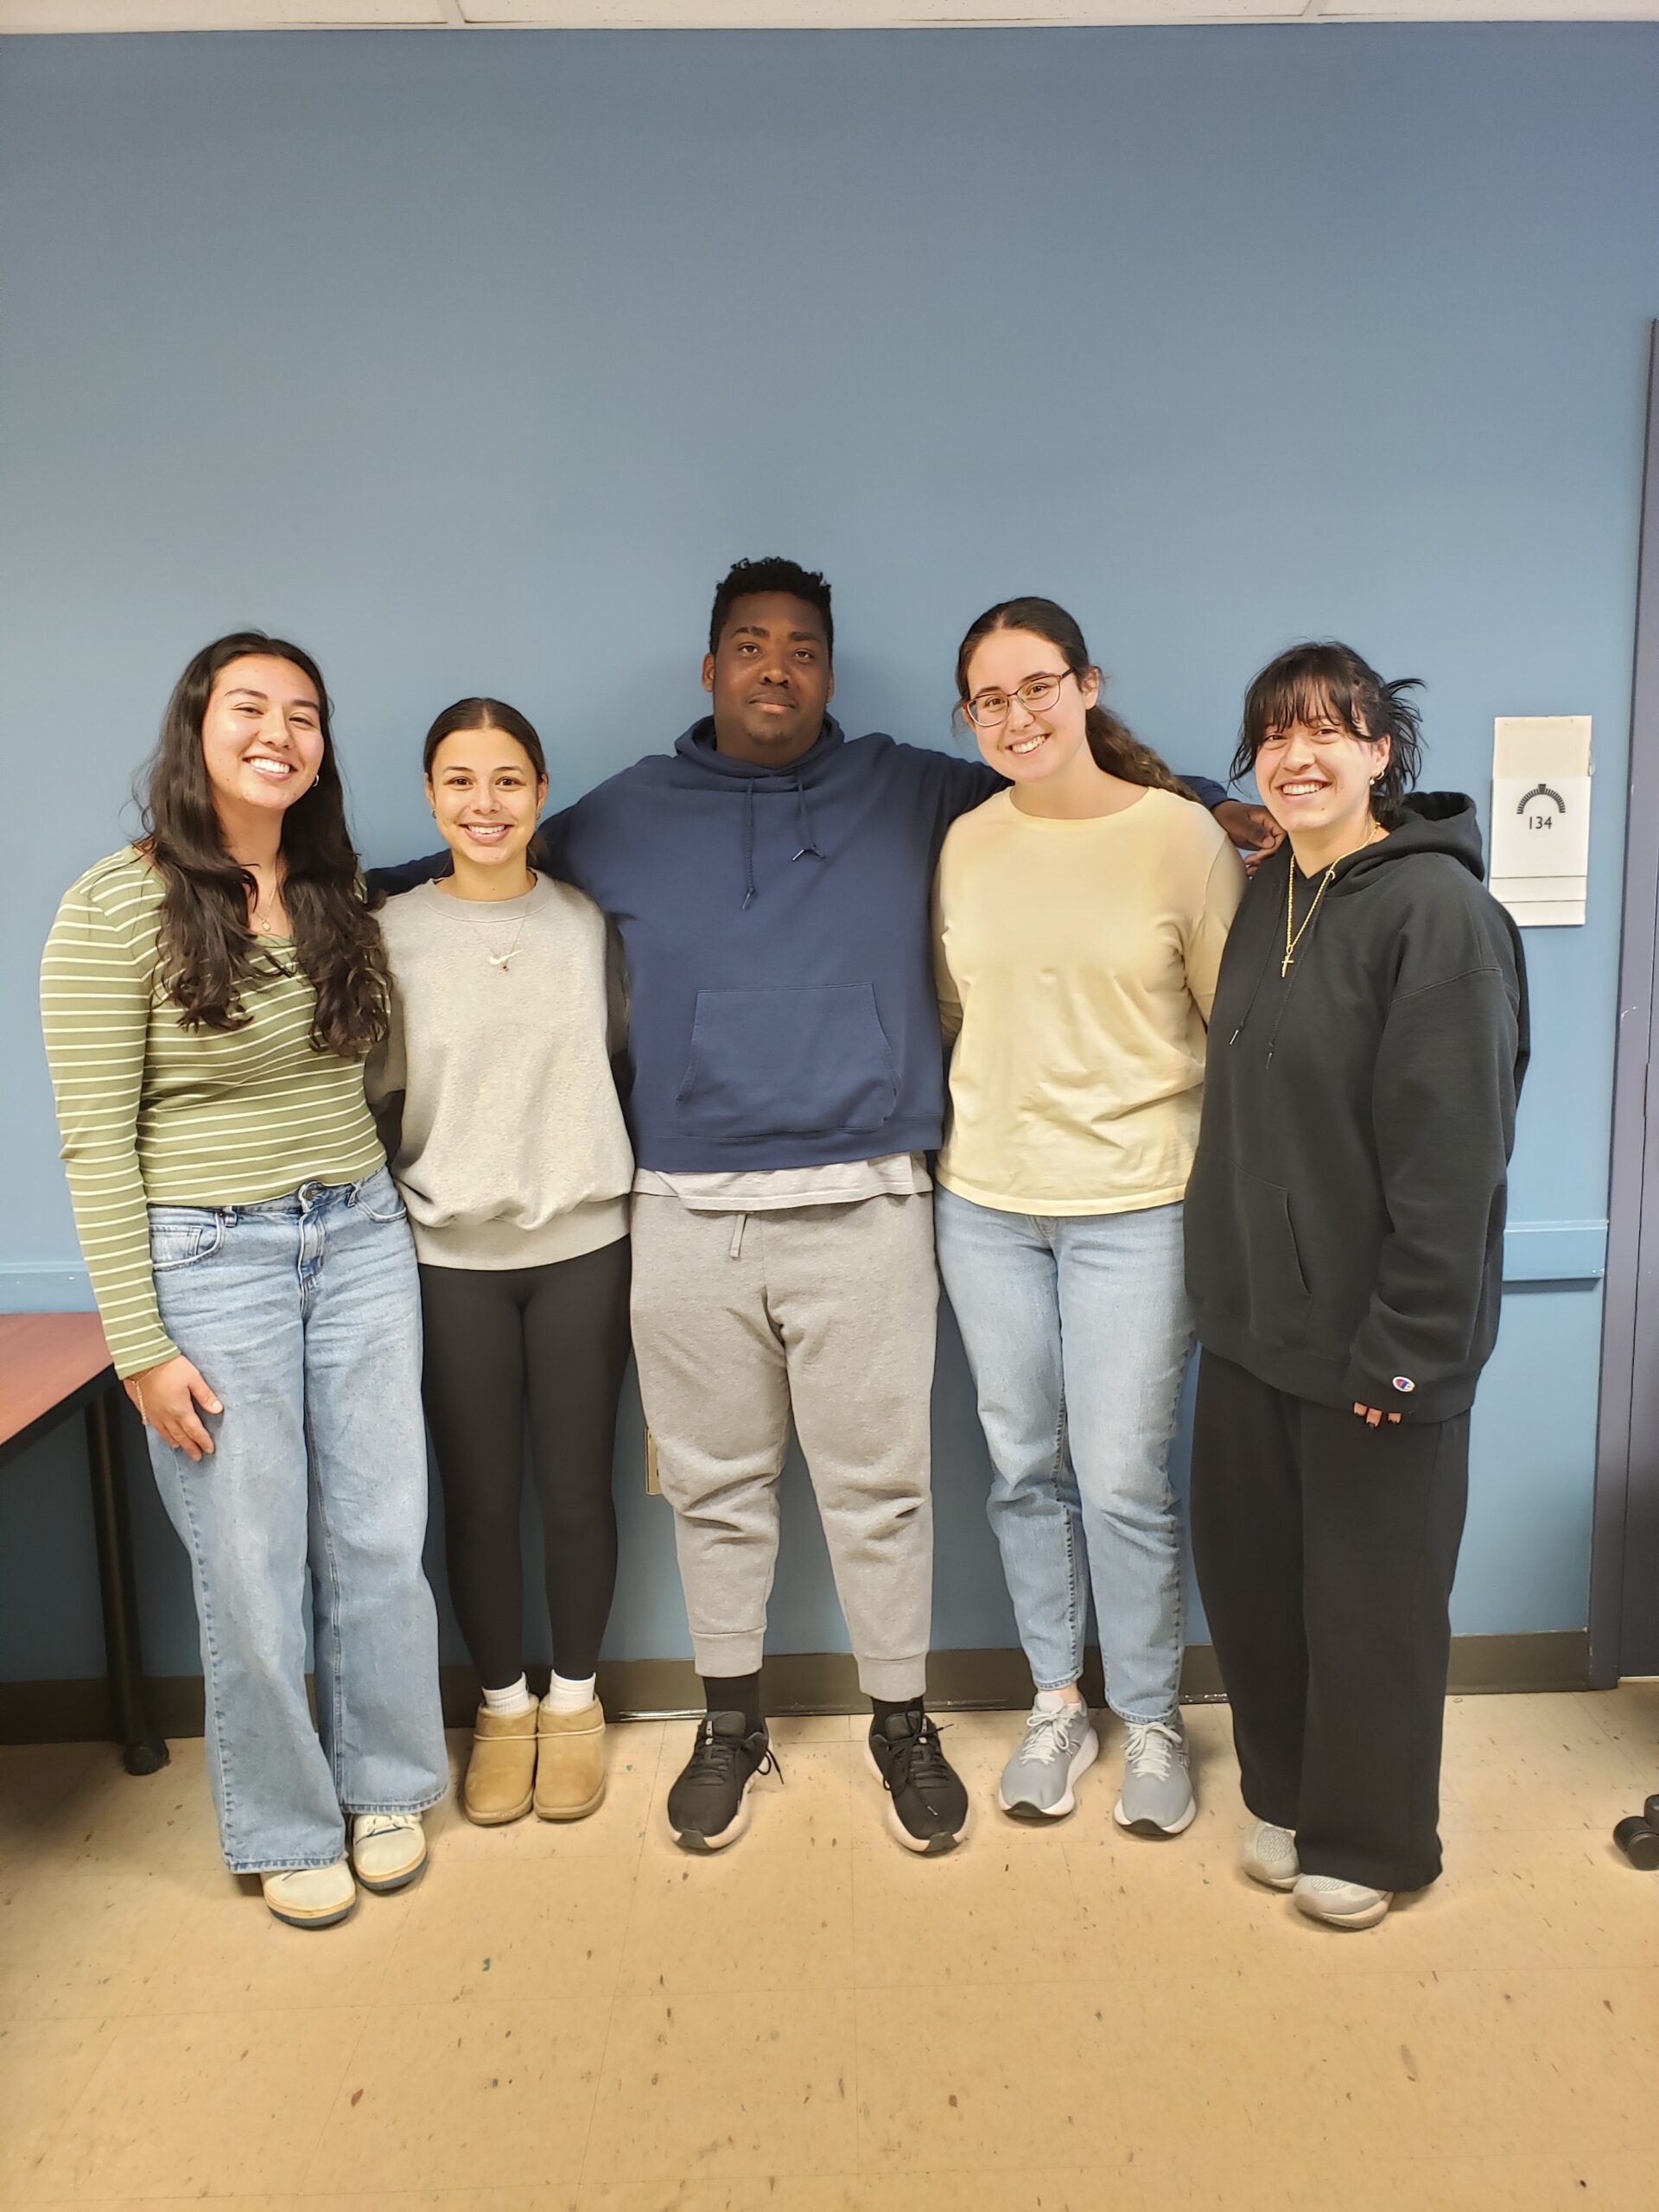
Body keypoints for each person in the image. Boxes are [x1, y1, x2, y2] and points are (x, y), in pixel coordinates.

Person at [374, 557, 1273, 1856]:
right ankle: (728, 1721)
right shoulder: (624, 812)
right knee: (717, 1490)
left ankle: (899, 1722)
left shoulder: (919, 793)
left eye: (802, 648)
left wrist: (1228, 810)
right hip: (684, 1207)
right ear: (711, 668)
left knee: (881, 1491)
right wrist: (308, 882)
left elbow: (1072, 802)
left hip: (871, 1203)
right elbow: (482, 860)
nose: (776, 668)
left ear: (831, 672)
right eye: (750, 645)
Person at [41, 632, 448, 1930]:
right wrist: (136, 1344)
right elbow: (96, 1139)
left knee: (381, 1535)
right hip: (210, 1261)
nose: (280, 732)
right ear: (196, 728)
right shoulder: (115, 902)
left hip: (364, 1241)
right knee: (252, 1557)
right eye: (251, 708)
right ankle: (281, 1819)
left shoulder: (339, 894)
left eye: (306, 714)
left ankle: (386, 1783)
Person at [1184, 640, 1528, 1930]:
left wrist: (1409, 1351)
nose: (1300, 754)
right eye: (1276, 735)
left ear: (1385, 753)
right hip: (1254, 1333)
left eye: (1332, 730)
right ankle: (1285, 1799)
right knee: (1260, 1589)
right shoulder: (1273, 893)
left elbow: (1454, 1163)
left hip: (1380, 1349)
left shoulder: (1439, 918)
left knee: (1372, 1610)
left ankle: (1374, 1842)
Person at [932, 598, 1246, 1834]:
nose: (1016, 716)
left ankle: (1157, 1720)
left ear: (1087, 686)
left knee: (1120, 1479)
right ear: (971, 717)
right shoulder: (964, 843)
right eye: (989, 700)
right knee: (1022, 1467)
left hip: (1138, 1205)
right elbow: (961, 1015)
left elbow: (1233, 1029)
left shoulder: (1182, 838)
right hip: (988, 1205)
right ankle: (1058, 1702)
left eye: (1037, 687)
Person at [368, 700, 633, 1827]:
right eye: (462, 781)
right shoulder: (386, 931)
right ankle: (501, 1708)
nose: (487, 803)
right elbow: (372, 1095)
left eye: (510, 779)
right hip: (447, 1256)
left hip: (585, 1246)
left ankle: (574, 1705)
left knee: (577, 1493)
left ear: (540, 793)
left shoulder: (591, 923)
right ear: (430, 797)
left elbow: (624, 1061)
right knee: (477, 1501)